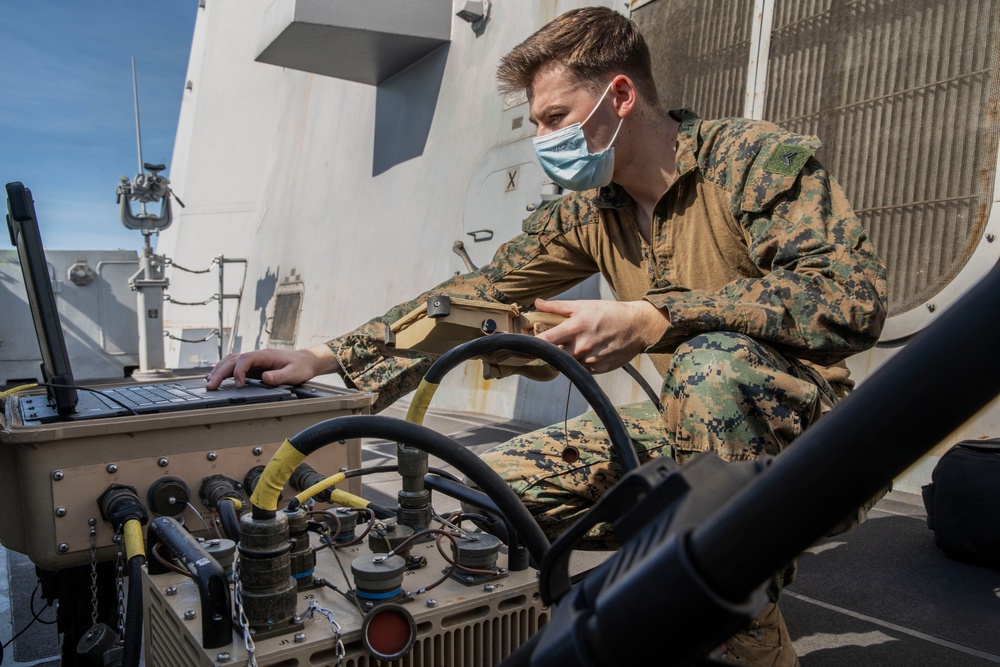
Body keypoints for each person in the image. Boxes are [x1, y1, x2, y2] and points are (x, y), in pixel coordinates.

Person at [207, 7, 887, 665]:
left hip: (814, 439)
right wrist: (323, 354)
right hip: (690, 428)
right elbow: (472, 297)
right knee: (489, 492)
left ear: (619, 95)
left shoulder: (749, 160)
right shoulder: (592, 210)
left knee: (709, 366)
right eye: (535, 124)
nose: (543, 141)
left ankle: (752, 648)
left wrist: (658, 316)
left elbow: (851, 296)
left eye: (555, 118)